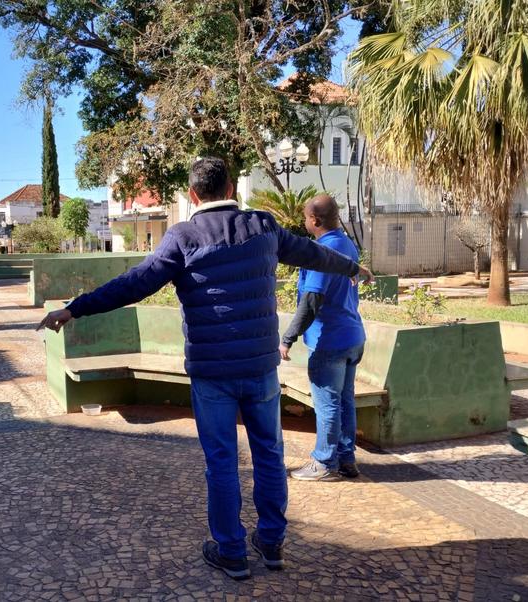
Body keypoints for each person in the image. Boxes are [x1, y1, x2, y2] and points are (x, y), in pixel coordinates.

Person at [37, 158, 372, 579]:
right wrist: (352, 267)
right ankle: (271, 543)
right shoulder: (264, 226)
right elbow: (314, 253)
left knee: (222, 460)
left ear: (193, 194)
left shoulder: (182, 237)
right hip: (260, 369)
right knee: (269, 454)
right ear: (232, 185)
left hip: (212, 372)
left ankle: (231, 550)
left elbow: (134, 283)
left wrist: (74, 309)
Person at [281, 194, 367, 482]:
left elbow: (312, 301)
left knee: (328, 403)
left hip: (328, 340)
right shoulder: (346, 244)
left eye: (306, 216)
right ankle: (346, 459)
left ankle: (324, 462)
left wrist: (288, 338)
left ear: (315, 221)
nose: (304, 220)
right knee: (344, 401)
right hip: (353, 337)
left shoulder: (322, 252)